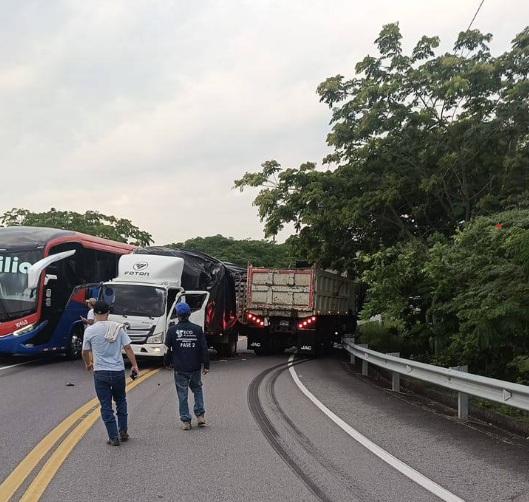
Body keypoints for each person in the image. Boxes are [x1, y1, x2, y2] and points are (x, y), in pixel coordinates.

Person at [82, 301, 140, 446]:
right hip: (118, 371)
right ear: (108, 313)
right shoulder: (117, 328)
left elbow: (85, 351)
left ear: (94, 314)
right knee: (121, 401)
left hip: (100, 372)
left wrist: (88, 363)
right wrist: (134, 365)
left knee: (106, 405)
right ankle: (123, 431)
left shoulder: (89, 330)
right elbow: (128, 348)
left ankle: (113, 437)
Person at [164, 302, 209, 430]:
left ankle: (186, 421)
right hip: (194, 367)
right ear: (189, 314)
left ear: (177, 315)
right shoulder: (197, 329)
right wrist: (206, 365)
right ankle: (200, 416)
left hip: (180, 368)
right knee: (197, 389)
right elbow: (204, 349)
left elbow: (167, 349)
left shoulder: (172, 331)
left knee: (182, 394)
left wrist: (167, 363)